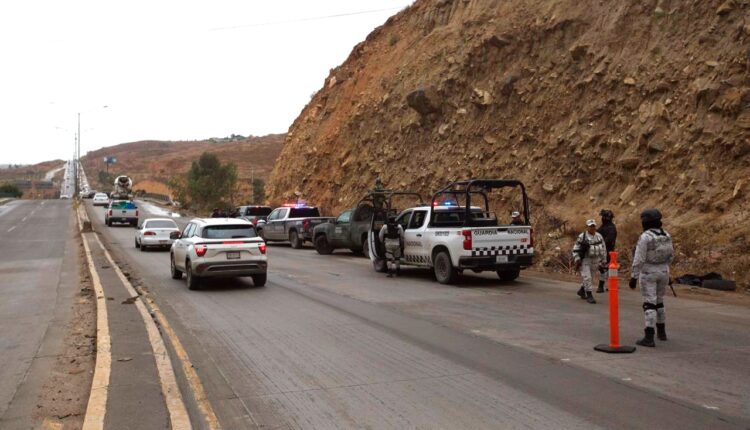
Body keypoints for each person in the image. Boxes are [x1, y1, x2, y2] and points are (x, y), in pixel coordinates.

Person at [629, 208, 674, 347]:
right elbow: (671, 256)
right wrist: (667, 272)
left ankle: (649, 336)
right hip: (664, 271)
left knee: (649, 304)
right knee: (659, 302)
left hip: (649, 272)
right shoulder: (666, 235)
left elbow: (639, 258)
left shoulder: (645, 237)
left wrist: (633, 276)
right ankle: (662, 332)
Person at [572, 219, 607, 304]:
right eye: (590, 226)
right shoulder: (582, 236)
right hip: (585, 260)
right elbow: (576, 249)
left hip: (595, 260)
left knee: (590, 278)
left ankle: (581, 290)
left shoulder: (599, 236)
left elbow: (603, 248)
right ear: (587, 227)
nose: (592, 228)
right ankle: (589, 295)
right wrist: (577, 259)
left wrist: (604, 260)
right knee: (587, 277)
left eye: (593, 226)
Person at [596, 209, 617, 293]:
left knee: (604, 268)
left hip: (608, 251)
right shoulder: (604, 226)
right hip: (603, 250)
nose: (602, 218)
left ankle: (601, 286)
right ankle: (610, 285)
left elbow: (608, 241)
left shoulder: (611, 228)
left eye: (603, 217)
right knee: (606, 269)